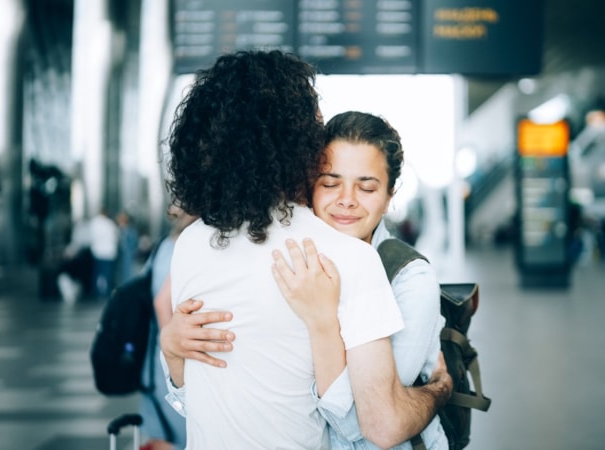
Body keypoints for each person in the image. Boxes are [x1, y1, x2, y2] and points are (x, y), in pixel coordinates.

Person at [161, 50, 451, 449]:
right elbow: (381, 426)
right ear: (300, 148)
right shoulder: (348, 259)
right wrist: (440, 389)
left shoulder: (191, 246)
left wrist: (171, 354)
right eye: (330, 181)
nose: (347, 200)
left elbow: (201, 398)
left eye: (366, 187)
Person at [138, 205, 196, 450]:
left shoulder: (164, 244)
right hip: (169, 361)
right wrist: (173, 353)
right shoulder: (187, 246)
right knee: (177, 437)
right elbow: (162, 303)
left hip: (153, 360)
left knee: (161, 435)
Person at [88, 208, 119, 299]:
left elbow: (91, 237)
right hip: (109, 253)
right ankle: (106, 293)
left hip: (97, 253)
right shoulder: (110, 224)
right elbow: (115, 238)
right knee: (107, 274)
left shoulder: (94, 223)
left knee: (97, 273)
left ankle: (96, 292)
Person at [116, 211, 140, 284]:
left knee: (127, 274)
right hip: (121, 257)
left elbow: (134, 245)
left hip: (128, 256)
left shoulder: (131, 231)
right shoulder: (120, 230)